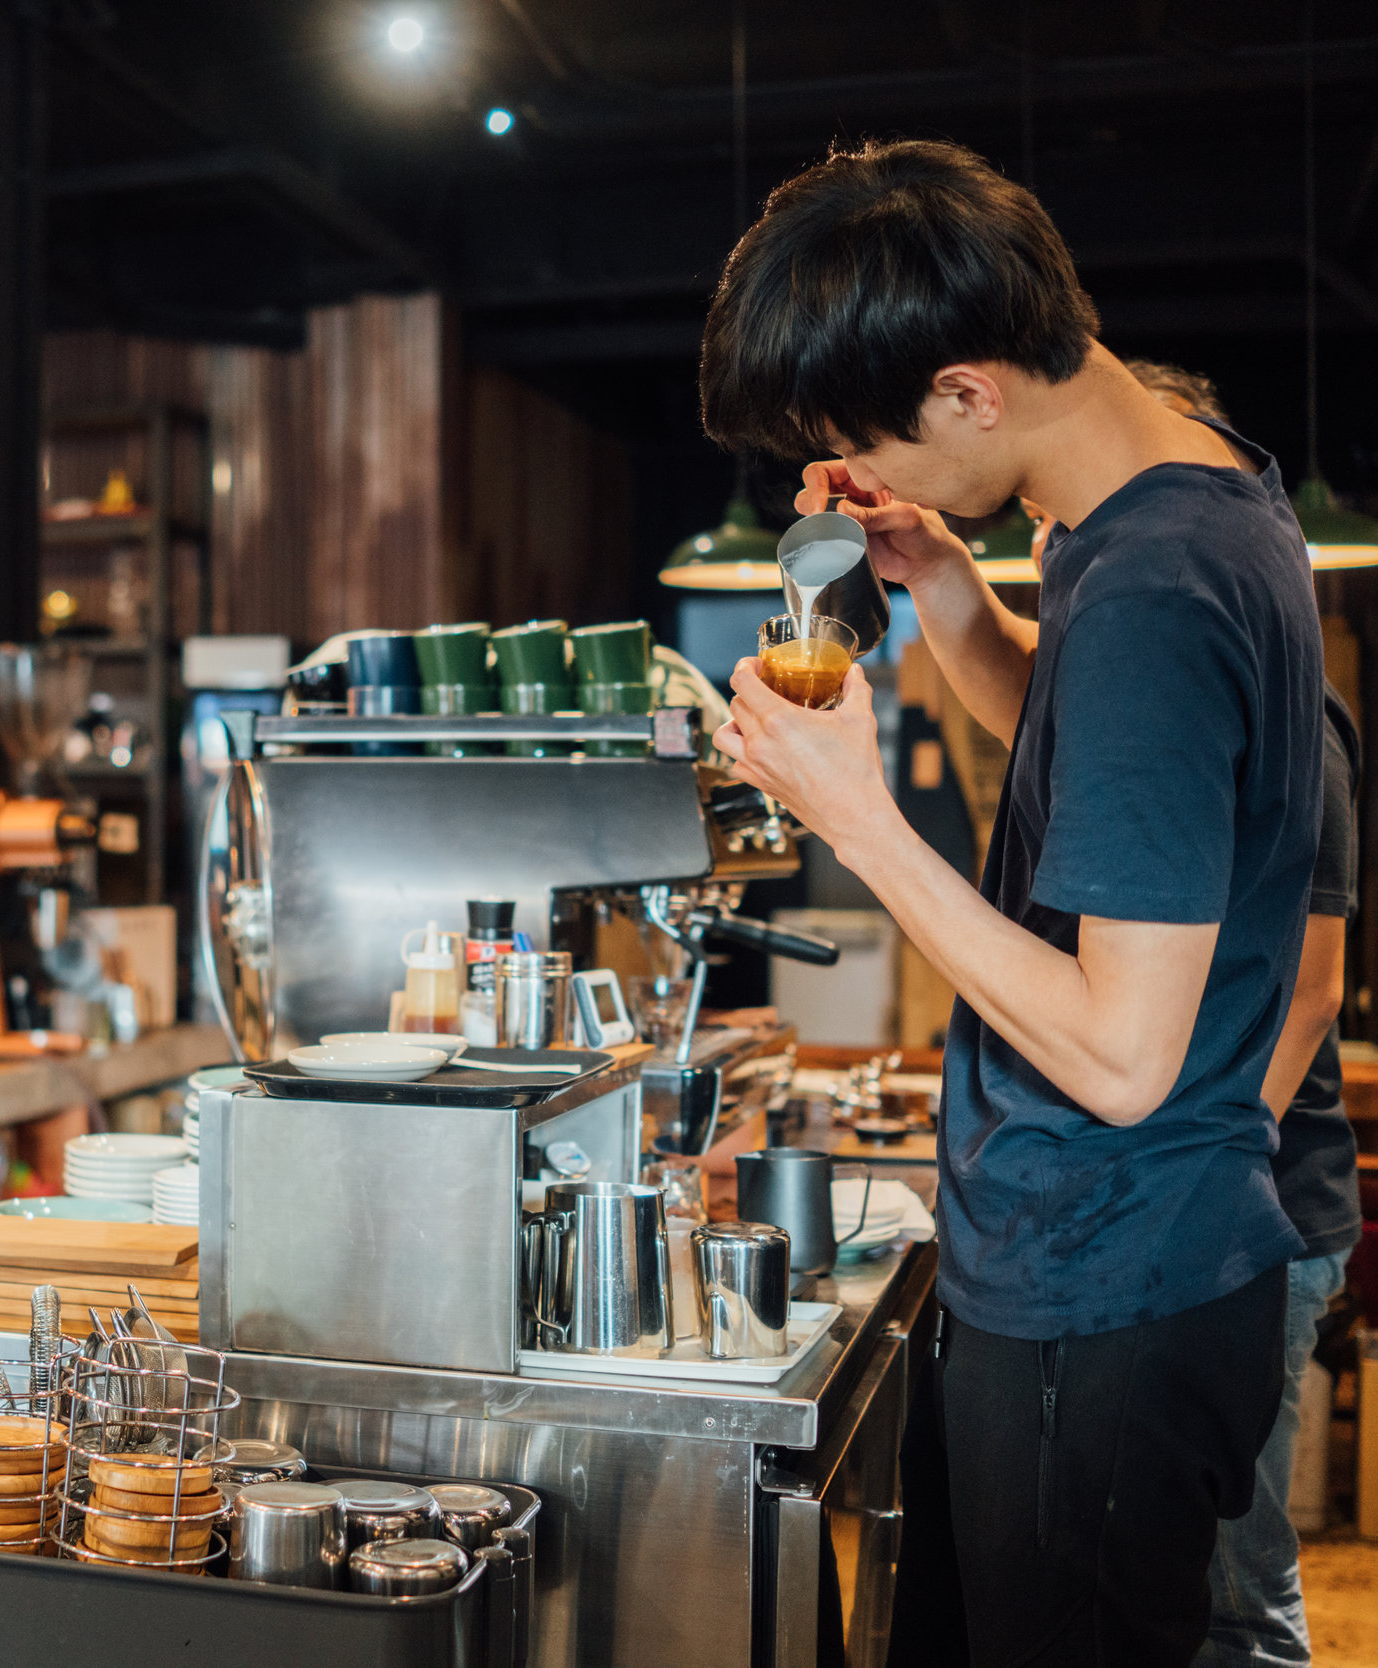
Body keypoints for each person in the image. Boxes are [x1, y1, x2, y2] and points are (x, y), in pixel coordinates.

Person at [701, 141, 1321, 1663]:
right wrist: (946, 589)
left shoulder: (1158, 588)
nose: (868, 485)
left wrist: (856, 810)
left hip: (1111, 1280)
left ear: (970, 391)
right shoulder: (1192, 497)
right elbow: (1110, 751)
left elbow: (1124, 1055)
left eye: (876, 446)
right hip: (1108, 1267)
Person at [1115, 362, 1357, 1668]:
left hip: (1258, 1212)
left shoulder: (1295, 721)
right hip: (1195, 1201)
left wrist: (1197, 1174)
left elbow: (1314, 991)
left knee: (1239, 1590)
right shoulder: (1150, 677)